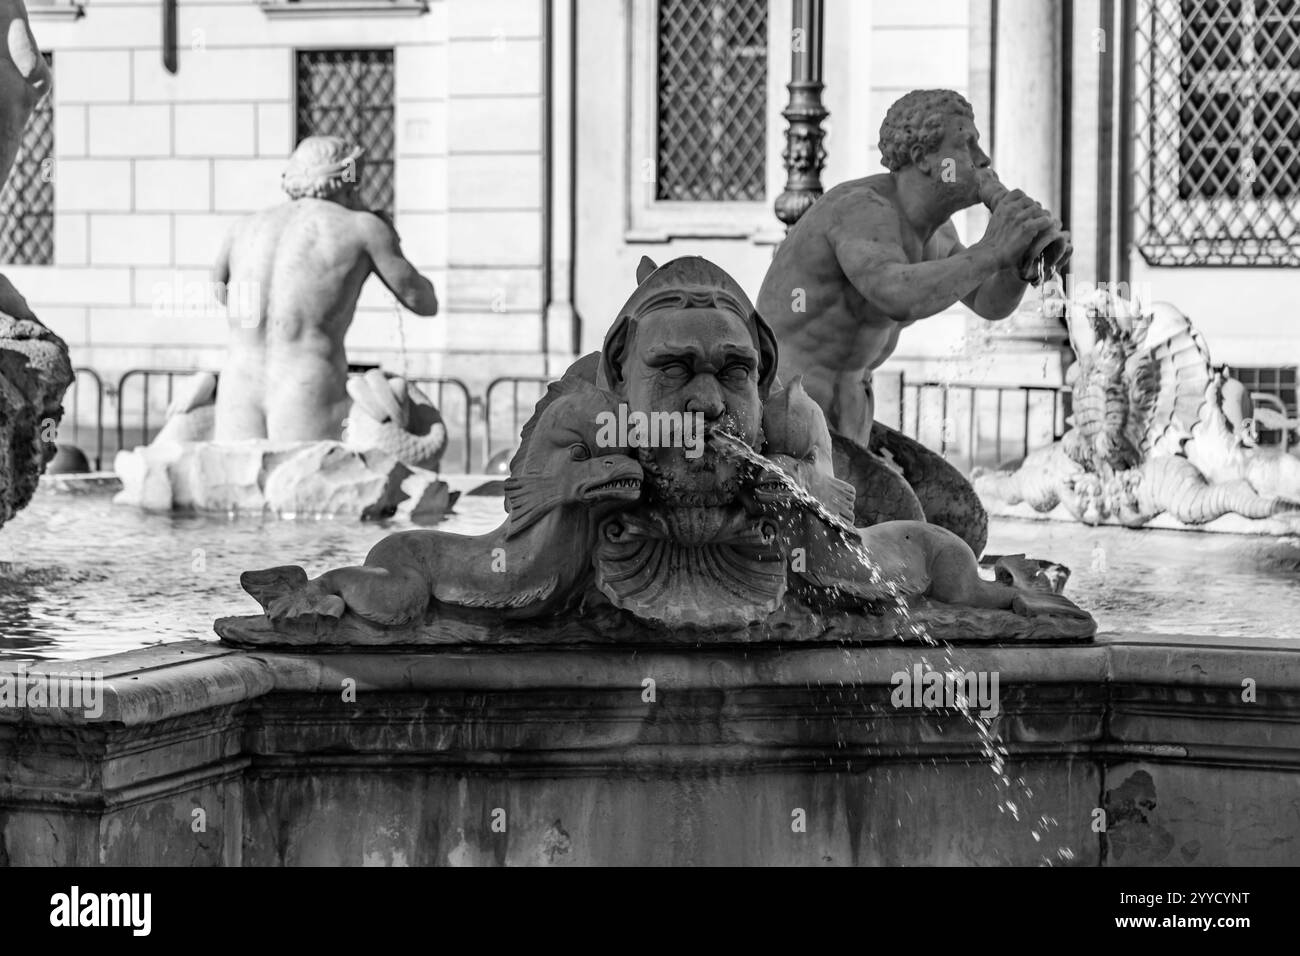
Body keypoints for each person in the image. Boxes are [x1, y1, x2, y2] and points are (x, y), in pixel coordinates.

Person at [757, 89, 1070, 448]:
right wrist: (995, 249)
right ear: (923, 158)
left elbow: (988, 302)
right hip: (785, 416)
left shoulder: (938, 233)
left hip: (848, 419)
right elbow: (898, 294)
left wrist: (1020, 264)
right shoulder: (863, 210)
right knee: (911, 505)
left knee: (950, 498)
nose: (983, 160)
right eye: (966, 146)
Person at [211, 135, 439, 441]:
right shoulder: (362, 227)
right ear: (349, 176)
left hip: (237, 385)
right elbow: (423, 302)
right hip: (305, 385)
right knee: (304, 484)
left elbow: (220, 292)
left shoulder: (244, 227)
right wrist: (388, 237)